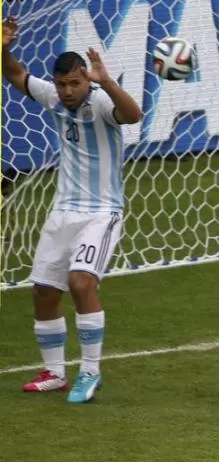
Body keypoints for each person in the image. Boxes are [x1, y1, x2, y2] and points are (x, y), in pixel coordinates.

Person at [2, 16, 143, 403]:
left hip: (102, 212)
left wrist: (108, 82)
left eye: (74, 83)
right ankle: (54, 372)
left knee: (81, 283)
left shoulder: (100, 102)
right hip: (63, 210)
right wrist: (4, 45)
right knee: (44, 291)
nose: (66, 91)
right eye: (62, 84)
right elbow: (13, 72)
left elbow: (133, 116)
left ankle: (90, 372)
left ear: (86, 79)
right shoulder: (52, 96)